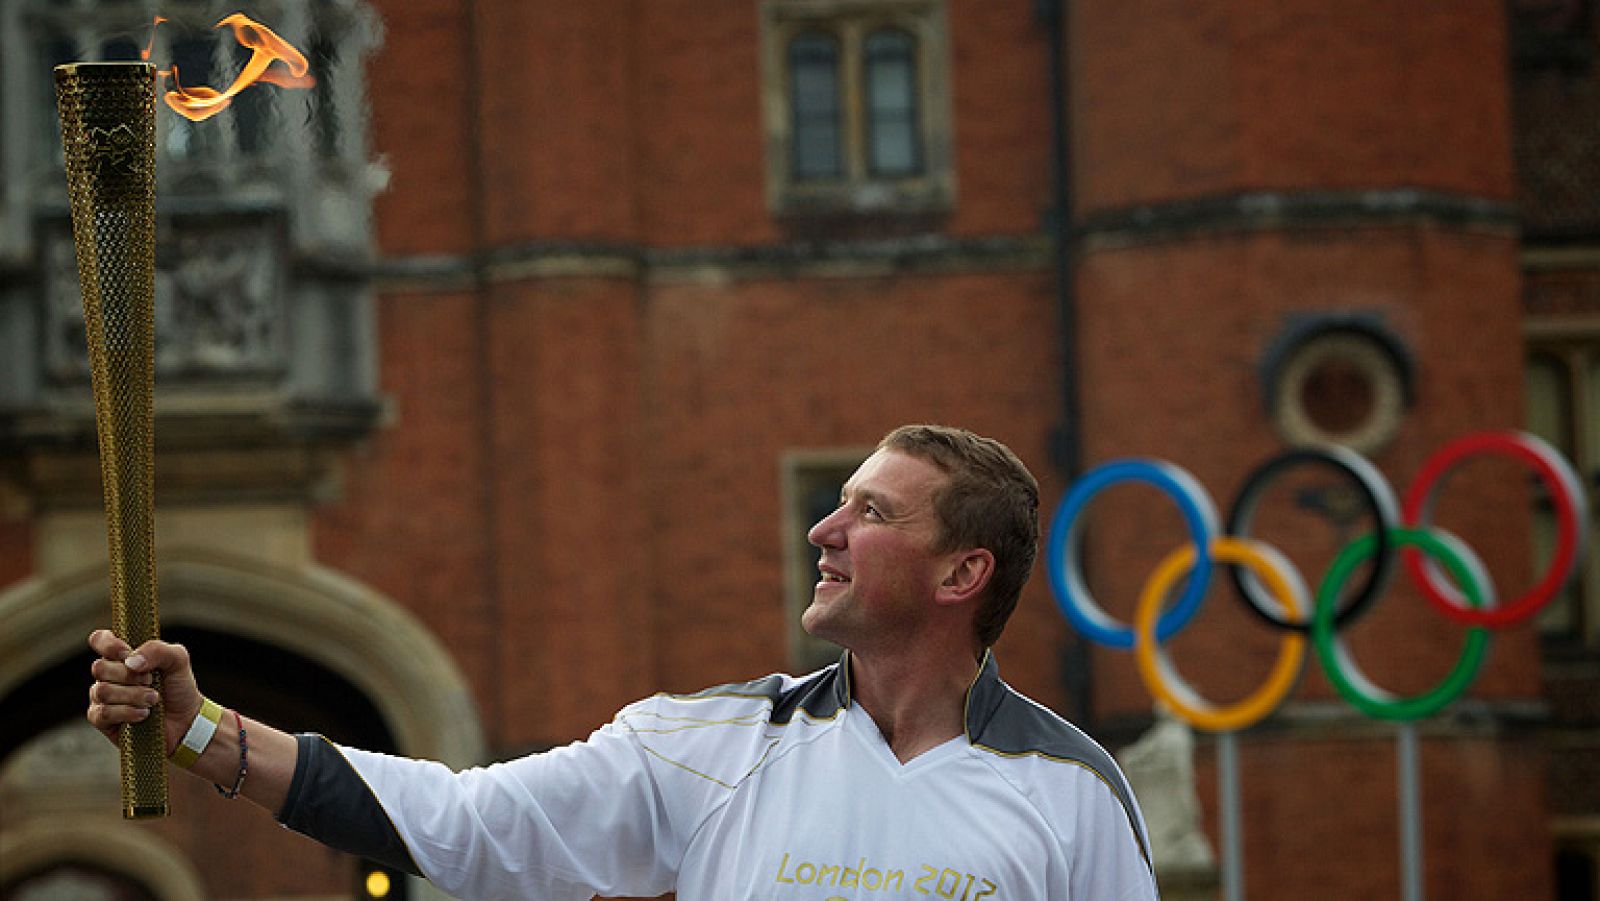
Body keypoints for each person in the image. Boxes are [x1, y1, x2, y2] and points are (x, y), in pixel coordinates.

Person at [87, 424, 1159, 900]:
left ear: (960, 572)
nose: (820, 530)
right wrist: (198, 730)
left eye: (868, 512)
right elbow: (466, 825)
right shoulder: (707, 745)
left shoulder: (1073, 795)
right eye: (832, 501)